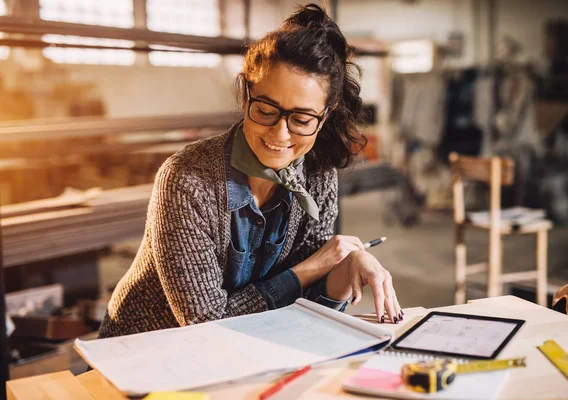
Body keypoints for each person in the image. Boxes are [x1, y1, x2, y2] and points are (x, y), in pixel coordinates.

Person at [98, 3, 402, 339]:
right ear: (246, 96)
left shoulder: (318, 177)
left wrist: (343, 274)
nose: (280, 134)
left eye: (301, 120)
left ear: (324, 117)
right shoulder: (186, 181)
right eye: (266, 110)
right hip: (143, 354)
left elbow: (305, 308)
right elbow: (206, 324)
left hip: (245, 349)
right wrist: (312, 268)